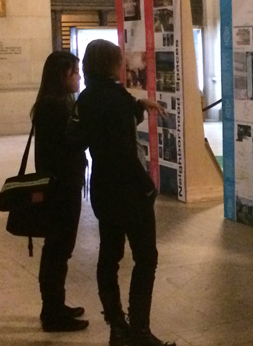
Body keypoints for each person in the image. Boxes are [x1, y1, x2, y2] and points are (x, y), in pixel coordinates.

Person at [77, 39, 175, 346]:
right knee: (146, 258)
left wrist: (138, 105)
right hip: (130, 191)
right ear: (111, 63)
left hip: (103, 189)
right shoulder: (116, 99)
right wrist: (147, 188)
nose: (123, 64)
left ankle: (117, 326)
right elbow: (124, 149)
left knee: (109, 257)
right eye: (119, 59)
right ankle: (140, 330)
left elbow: (79, 136)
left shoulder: (87, 97)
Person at [31, 51, 89, 332]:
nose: (79, 77)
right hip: (61, 186)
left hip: (61, 184)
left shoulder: (52, 103)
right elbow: (70, 144)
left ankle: (55, 305)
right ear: (61, 75)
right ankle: (52, 313)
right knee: (58, 249)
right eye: (74, 72)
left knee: (58, 249)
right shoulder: (54, 107)